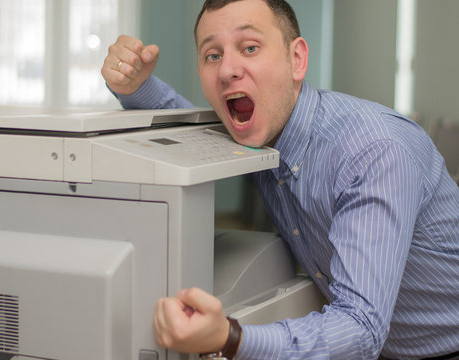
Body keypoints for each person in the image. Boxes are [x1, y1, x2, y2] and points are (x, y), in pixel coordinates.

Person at [101, 0, 459, 359]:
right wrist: (135, 86)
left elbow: (360, 328)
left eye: (250, 48)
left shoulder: (372, 150)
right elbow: (194, 130)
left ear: (297, 59)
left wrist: (230, 338)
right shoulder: (258, 132)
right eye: (212, 55)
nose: (227, 70)